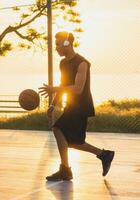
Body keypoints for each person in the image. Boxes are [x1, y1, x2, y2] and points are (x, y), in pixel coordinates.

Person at [38, 31, 115, 181]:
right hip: (71, 106)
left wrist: (54, 89)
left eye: (58, 44)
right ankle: (104, 154)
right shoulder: (63, 63)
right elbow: (64, 85)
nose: (56, 48)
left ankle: (65, 170)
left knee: (57, 129)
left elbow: (78, 89)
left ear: (67, 44)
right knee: (73, 142)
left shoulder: (82, 63)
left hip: (81, 107)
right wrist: (53, 104)